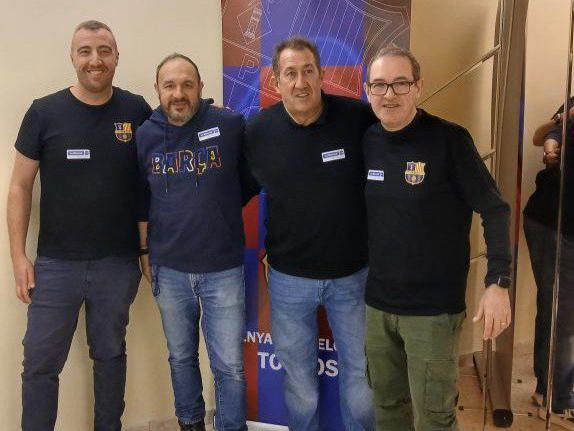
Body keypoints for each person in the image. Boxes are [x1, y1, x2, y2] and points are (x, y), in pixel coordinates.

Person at [7, 20, 152, 431]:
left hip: (117, 263)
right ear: (72, 57)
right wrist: (18, 257)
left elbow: (152, 181)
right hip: (55, 266)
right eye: (85, 51)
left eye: (104, 50)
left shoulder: (137, 110)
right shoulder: (43, 112)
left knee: (110, 358)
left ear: (117, 57)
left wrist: (146, 249)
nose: (95, 60)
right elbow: (19, 186)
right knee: (39, 364)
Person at [362, 46, 512, 431]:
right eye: (379, 85)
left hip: (432, 312)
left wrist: (498, 282)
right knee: (387, 407)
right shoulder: (368, 141)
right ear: (367, 90)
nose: (389, 94)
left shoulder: (449, 140)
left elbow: (495, 209)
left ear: (418, 86)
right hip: (377, 306)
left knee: (433, 418)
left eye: (400, 83)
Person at [245, 37, 376, 431]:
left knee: (361, 375)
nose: (300, 82)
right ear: (275, 81)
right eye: (290, 74)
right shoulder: (258, 130)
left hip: (352, 276)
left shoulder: (358, 118)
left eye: (308, 71)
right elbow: (233, 189)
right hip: (288, 280)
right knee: (299, 383)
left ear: (321, 75)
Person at [136, 53, 256, 431]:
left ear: (201, 88)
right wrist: (144, 250)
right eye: (170, 85)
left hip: (223, 268)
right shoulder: (145, 136)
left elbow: (248, 180)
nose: (179, 93)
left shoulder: (230, 124)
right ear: (157, 90)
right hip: (169, 269)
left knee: (229, 366)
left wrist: (218, 207)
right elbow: (141, 197)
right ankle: (190, 424)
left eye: (187, 84)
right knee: (181, 358)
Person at [525, 117, 574, 429]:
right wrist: (553, 140)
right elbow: (543, 135)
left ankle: (549, 390)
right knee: (561, 313)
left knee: (559, 310)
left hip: (558, 223)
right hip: (553, 223)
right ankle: (556, 399)